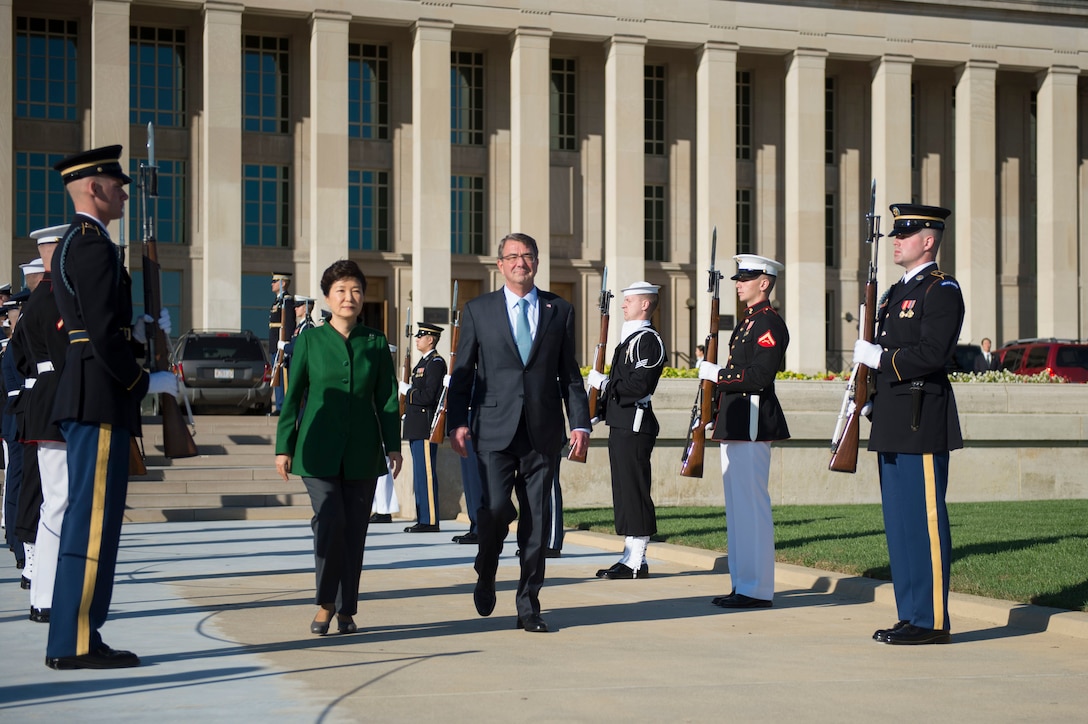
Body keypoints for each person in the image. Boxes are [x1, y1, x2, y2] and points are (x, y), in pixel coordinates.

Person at [47, 145, 179, 670]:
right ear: (94, 188)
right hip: (100, 395)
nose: (124, 192)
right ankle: (75, 640)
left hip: (91, 392)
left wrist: (143, 336)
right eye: (116, 184)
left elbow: (94, 327)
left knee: (90, 517)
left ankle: (77, 634)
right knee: (93, 520)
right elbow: (100, 332)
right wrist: (144, 377)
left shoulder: (76, 244)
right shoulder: (93, 246)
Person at [446, 232, 590, 634]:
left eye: (527, 256)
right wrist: (457, 422)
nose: (520, 263)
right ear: (500, 265)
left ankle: (529, 605)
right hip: (492, 432)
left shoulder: (559, 310)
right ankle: (486, 568)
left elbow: (569, 374)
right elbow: (462, 375)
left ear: (537, 263)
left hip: (542, 433)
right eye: (512, 257)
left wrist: (579, 422)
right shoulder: (478, 310)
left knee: (537, 521)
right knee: (493, 512)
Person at [853, 203, 963, 646]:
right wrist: (866, 395)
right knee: (899, 524)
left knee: (925, 521)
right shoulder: (893, 293)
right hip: (892, 416)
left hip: (920, 415)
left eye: (906, 233)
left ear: (929, 240)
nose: (896, 240)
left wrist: (879, 359)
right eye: (896, 233)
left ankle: (933, 619)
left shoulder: (942, 290)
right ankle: (911, 614)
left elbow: (933, 354)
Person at [275, 259, 402, 637]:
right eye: (341, 291)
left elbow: (387, 399)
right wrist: (284, 446)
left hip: (362, 453)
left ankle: (347, 609)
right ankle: (326, 603)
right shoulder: (310, 341)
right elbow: (293, 395)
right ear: (327, 298)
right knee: (330, 521)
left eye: (356, 290)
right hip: (316, 452)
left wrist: (393, 446)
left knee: (354, 532)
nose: (350, 297)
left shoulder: (375, 342)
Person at [697, 254, 790, 609]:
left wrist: (716, 375)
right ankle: (743, 584)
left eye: (745, 278)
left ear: (764, 282)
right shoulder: (748, 323)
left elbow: (759, 377)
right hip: (736, 422)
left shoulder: (768, 323)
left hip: (752, 422)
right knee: (737, 511)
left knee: (752, 508)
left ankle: (757, 588)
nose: (738, 283)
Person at [10, 225, 70, 624]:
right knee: (59, 503)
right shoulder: (55, 297)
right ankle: (48, 597)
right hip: (57, 399)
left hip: (41, 399)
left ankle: (44, 595)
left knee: (54, 502)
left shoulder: (35, 300)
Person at [587, 281, 667, 580]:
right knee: (624, 492)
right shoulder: (629, 339)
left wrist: (604, 383)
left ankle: (636, 560)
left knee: (634, 491)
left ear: (645, 304)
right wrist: (598, 409)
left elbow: (639, 385)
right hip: (622, 422)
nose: (623, 305)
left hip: (635, 424)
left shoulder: (648, 340)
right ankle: (629, 556)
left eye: (629, 300)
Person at [400, 322, 446, 533]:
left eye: (421, 336)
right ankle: (423, 517)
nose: (417, 338)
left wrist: (408, 392)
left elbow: (429, 396)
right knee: (419, 474)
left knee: (426, 473)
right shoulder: (423, 362)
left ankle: (429, 520)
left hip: (425, 425)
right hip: (415, 425)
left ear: (431, 339)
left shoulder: (435, 363)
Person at [268, 271, 296, 415]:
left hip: (281, 344)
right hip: (275, 344)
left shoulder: (287, 300)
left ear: (283, 283)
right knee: (276, 376)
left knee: (282, 377)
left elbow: (289, 324)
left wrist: (286, 345)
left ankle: (283, 406)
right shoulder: (277, 301)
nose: (272, 284)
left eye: (275, 281)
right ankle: (279, 406)